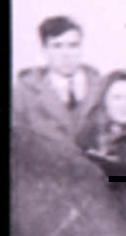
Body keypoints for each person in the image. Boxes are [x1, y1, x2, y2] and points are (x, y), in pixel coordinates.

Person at [14, 15, 102, 144]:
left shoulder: (101, 87)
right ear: (44, 50)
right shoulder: (24, 93)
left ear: (82, 47)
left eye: (73, 45)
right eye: (57, 46)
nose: (66, 54)